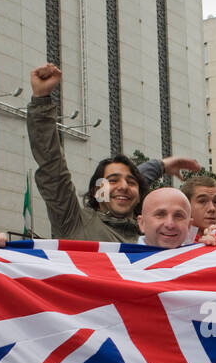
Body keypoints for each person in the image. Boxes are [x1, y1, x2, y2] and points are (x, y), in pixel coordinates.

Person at [26, 62, 200, 243]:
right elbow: (52, 167)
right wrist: (41, 99)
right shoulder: (74, 222)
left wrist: (161, 166)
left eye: (131, 183)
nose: (124, 186)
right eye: (112, 180)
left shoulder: (154, 234)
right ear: (96, 191)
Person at [136, 188, 216, 249]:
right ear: (142, 223)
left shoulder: (199, 258)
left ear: (189, 226)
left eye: (178, 216)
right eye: (160, 215)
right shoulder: (123, 265)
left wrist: (215, 252)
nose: (170, 224)